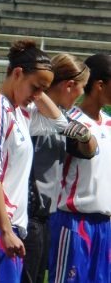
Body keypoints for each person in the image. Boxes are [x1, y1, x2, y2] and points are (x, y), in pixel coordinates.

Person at [0, 40, 69, 282]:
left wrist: (36, 92)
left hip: (12, 228)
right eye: (35, 87)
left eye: (43, 91)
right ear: (17, 73)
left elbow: (60, 124)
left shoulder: (20, 111)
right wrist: (5, 230)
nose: (38, 96)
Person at [22, 53, 95, 283]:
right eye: (82, 87)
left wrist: (83, 133)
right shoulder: (31, 113)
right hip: (27, 215)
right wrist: (40, 92)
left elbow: (90, 148)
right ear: (69, 85)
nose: (83, 93)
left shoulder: (60, 117)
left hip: (45, 218)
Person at [48, 53, 111, 283]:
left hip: (105, 225)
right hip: (73, 223)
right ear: (100, 85)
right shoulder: (69, 122)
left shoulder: (109, 123)